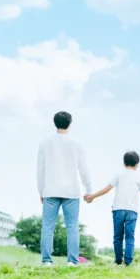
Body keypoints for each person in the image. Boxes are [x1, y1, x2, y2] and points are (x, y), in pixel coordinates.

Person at [37, 111, 92, 267]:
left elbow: (40, 169)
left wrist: (41, 190)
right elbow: (84, 169)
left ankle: (47, 261)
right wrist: (88, 189)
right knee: (72, 227)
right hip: (72, 191)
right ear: (70, 123)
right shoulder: (77, 143)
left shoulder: (45, 143)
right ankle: (72, 261)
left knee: (47, 227)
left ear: (55, 123)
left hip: (50, 189)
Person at [85, 151, 140, 267]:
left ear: (124, 163)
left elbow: (107, 189)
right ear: (137, 164)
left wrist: (92, 196)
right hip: (132, 210)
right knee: (130, 237)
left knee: (118, 236)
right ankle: (128, 262)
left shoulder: (119, 175)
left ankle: (118, 261)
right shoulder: (139, 177)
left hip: (118, 209)